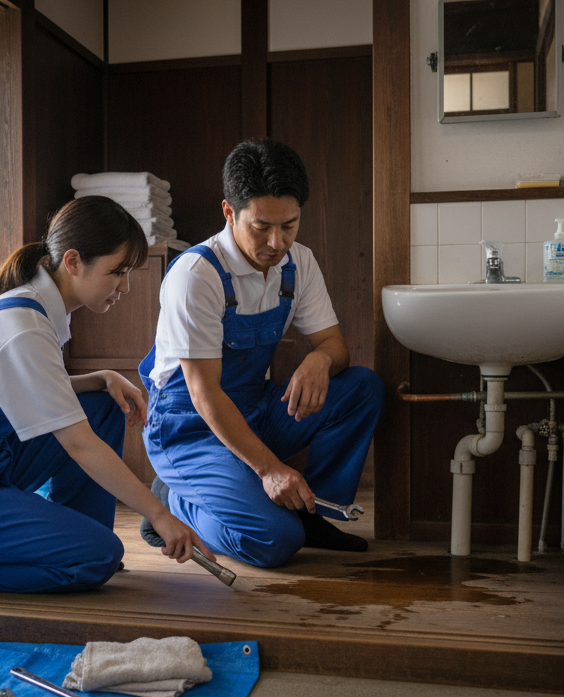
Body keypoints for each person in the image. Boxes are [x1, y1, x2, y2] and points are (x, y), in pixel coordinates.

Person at [0, 196, 212, 594]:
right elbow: (79, 445)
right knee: (98, 557)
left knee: (100, 404)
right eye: (117, 272)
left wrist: (100, 376)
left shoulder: (40, 311)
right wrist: (161, 516)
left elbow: (28, 392)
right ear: (74, 261)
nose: (126, 287)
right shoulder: (22, 323)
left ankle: (71, 538)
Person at [138, 138, 385, 569]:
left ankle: (317, 514)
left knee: (361, 388)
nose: (277, 241)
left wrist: (318, 359)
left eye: (289, 225)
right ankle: (175, 501)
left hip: (252, 411)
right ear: (229, 212)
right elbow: (203, 394)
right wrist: (270, 469)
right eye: (261, 227)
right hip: (189, 430)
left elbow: (336, 347)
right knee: (272, 541)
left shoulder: (299, 263)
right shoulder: (196, 276)